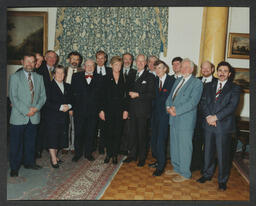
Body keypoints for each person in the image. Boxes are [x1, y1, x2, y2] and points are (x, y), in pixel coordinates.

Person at [197, 61, 241, 191]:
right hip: (208, 124)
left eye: (225, 71)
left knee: (223, 155)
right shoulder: (209, 85)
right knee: (208, 152)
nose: (222, 73)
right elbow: (203, 103)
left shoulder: (235, 88)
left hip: (223, 126)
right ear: (216, 72)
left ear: (229, 74)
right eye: (220, 70)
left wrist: (215, 117)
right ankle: (207, 174)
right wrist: (208, 117)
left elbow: (231, 107)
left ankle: (222, 181)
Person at [165, 58, 203, 182]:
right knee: (175, 146)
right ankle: (176, 168)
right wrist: (167, 107)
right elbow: (170, 97)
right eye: (182, 67)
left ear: (192, 69)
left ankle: (185, 173)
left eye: (186, 67)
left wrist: (175, 110)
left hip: (185, 120)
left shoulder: (196, 83)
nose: (183, 69)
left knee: (185, 147)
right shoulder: (178, 81)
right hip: (173, 119)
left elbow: (192, 102)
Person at [8, 53, 46, 177]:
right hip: (19, 116)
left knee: (31, 142)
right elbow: (14, 97)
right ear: (22, 62)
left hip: (34, 116)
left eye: (32, 62)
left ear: (35, 63)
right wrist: (26, 111)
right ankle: (14, 167)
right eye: (27, 61)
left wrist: (36, 109)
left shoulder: (39, 78)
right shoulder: (14, 77)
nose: (29, 64)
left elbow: (43, 96)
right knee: (16, 144)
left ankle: (29, 163)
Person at [123, 54, 156, 167]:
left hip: (143, 111)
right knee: (131, 134)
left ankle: (142, 158)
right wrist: (126, 109)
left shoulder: (150, 76)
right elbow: (126, 93)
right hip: (132, 111)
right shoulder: (131, 74)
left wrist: (138, 94)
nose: (140, 63)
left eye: (143, 61)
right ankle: (132, 155)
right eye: (138, 61)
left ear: (146, 63)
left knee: (142, 135)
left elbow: (152, 94)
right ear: (135, 62)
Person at [71, 59, 102, 162]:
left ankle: (88, 153)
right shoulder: (76, 76)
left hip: (93, 112)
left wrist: (100, 110)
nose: (89, 67)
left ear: (94, 67)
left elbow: (102, 96)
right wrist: (71, 108)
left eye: (91, 66)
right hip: (79, 111)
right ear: (84, 66)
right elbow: (72, 94)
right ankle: (77, 153)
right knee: (78, 133)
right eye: (87, 65)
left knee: (91, 133)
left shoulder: (99, 78)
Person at [99, 56, 128, 164]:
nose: (118, 67)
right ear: (111, 65)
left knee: (117, 132)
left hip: (120, 110)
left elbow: (126, 97)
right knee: (108, 132)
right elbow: (101, 96)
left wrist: (126, 110)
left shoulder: (124, 78)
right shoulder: (105, 78)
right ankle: (109, 153)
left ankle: (115, 154)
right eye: (116, 65)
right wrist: (101, 110)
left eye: (120, 65)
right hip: (108, 110)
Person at [148, 60, 175, 176]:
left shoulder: (172, 81)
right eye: (156, 68)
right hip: (154, 115)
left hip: (165, 116)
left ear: (165, 69)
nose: (157, 70)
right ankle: (159, 161)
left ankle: (161, 166)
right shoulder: (154, 81)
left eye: (160, 68)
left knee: (161, 141)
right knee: (154, 140)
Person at [190, 60, 217, 172]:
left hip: (209, 118)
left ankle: (206, 168)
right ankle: (196, 164)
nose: (205, 70)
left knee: (209, 145)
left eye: (207, 68)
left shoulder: (217, 82)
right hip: (195, 118)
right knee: (196, 142)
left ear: (212, 70)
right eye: (203, 68)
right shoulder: (196, 81)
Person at [44, 65, 72, 168]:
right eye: (58, 73)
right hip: (52, 116)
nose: (60, 75)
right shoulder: (48, 86)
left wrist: (69, 106)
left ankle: (55, 156)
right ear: (54, 74)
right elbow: (46, 102)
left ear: (64, 74)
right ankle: (53, 159)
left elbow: (72, 99)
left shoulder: (68, 86)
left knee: (59, 137)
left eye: (62, 73)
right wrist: (60, 107)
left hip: (63, 117)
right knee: (52, 138)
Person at [35, 50, 58, 158]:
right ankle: (38, 149)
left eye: (54, 57)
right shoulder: (39, 70)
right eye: (50, 57)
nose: (52, 59)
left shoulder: (57, 70)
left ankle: (48, 148)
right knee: (41, 127)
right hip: (42, 103)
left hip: (53, 104)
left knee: (51, 127)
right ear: (45, 58)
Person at [62, 51, 83, 155]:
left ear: (79, 61)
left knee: (75, 125)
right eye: (72, 59)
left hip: (77, 103)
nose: (74, 61)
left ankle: (74, 146)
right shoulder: (63, 71)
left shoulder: (82, 71)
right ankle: (66, 145)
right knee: (66, 125)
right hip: (64, 102)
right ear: (69, 60)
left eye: (77, 59)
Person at [94, 50, 112, 155]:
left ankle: (102, 146)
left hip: (105, 103)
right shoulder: (91, 69)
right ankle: (92, 147)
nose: (100, 60)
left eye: (102, 58)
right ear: (96, 59)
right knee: (94, 127)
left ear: (105, 59)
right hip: (93, 104)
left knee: (104, 126)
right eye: (98, 58)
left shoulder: (110, 71)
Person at [119, 52, 136, 155]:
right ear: (122, 60)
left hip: (130, 104)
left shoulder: (135, 73)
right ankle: (118, 147)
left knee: (128, 128)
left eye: (129, 59)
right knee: (118, 127)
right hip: (118, 105)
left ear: (132, 61)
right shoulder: (116, 71)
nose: (127, 61)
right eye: (125, 59)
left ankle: (126, 148)